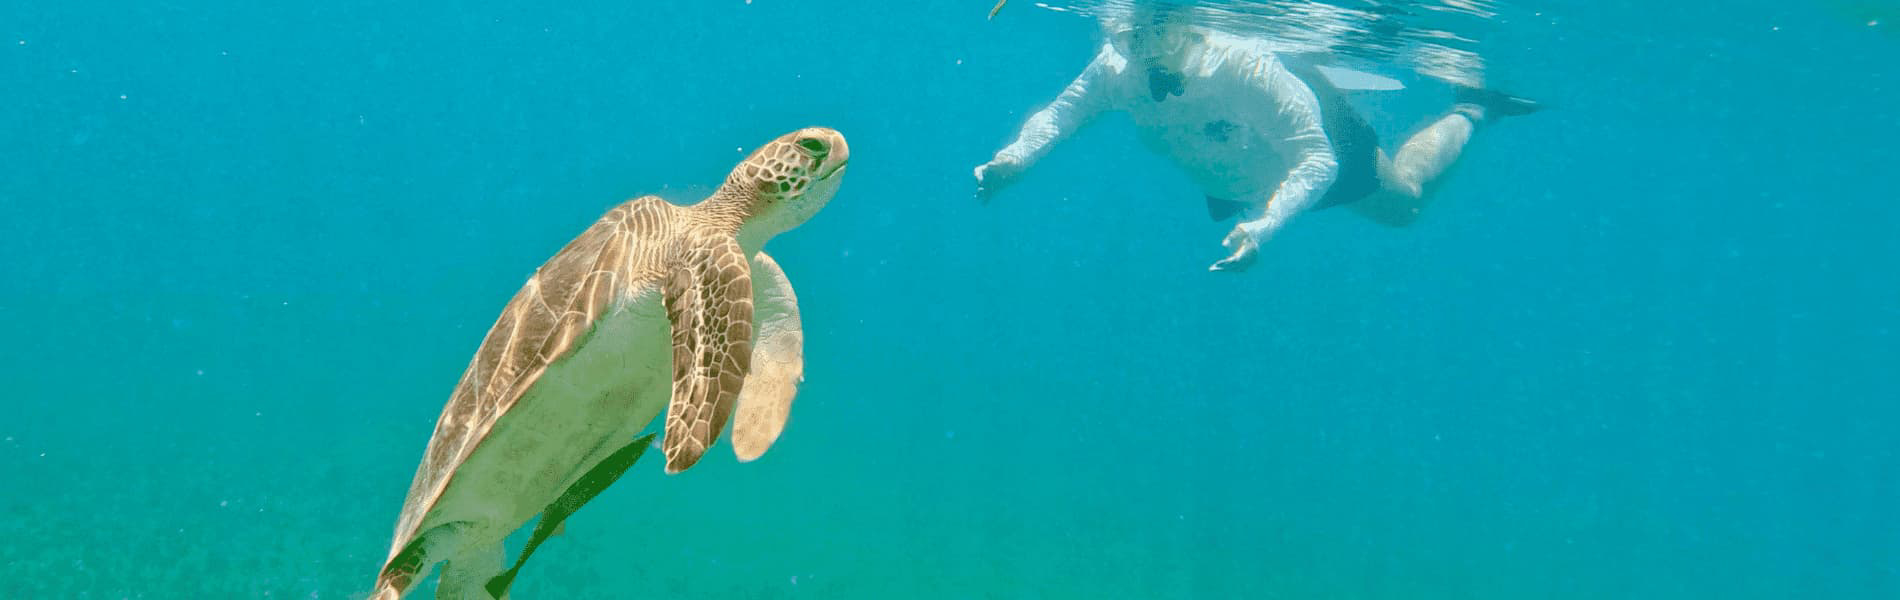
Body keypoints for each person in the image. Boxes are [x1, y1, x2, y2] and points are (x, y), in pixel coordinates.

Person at [973, 3, 1542, 272]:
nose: (1138, 51)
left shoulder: (1245, 70)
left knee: (1404, 205)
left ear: (1185, 24)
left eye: (1150, 35)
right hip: (1226, 164)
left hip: (1299, 140)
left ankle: (1473, 107)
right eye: (1127, 36)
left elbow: (1317, 160)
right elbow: (1060, 115)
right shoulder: (1117, 63)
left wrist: (1269, 224)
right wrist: (1014, 160)